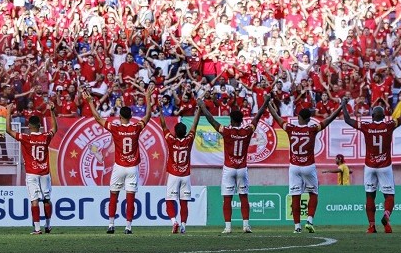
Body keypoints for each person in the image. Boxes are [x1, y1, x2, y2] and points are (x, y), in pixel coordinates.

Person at [81, 85, 154, 234]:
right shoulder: (136, 128)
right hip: (132, 167)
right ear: (131, 116)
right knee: (130, 197)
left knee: (113, 195)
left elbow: (98, 118)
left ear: (120, 117)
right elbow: (147, 116)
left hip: (119, 166)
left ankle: (111, 225)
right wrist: (147, 98)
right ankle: (128, 227)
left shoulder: (115, 128)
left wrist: (90, 102)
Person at [267, 100, 342, 233]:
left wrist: (268, 103)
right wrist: (340, 107)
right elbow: (329, 120)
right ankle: (309, 221)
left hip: (294, 167)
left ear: (298, 118)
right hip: (308, 166)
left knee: (296, 196)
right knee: (313, 193)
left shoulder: (290, 128)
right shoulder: (312, 129)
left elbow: (277, 118)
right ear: (309, 120)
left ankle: (297, 227)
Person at [342, 95, 401, 233]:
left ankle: (371, 226)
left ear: (372, 115)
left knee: (370, 195)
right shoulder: (389, 125)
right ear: (383, 116)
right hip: (385, 166)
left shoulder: (366, 126)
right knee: (389, 196)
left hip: (370, 166)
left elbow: (347, 119)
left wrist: (343, 105)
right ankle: (386, 216)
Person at [199, 96, 270, 234]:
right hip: (242, 168)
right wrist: (266, 102)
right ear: (242, 120)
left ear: (231, 120)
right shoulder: (247, 131)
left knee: (227, 198)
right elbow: (258, 116)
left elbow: (211, 120)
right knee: (244, 196)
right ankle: (246, 225)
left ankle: (228, 227)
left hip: (229, 168)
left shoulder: (226, 131)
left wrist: (202, 107)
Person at [6, 101, 58, 234]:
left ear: (29, 126)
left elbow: (8, 130)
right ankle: (48, 225)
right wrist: (52, 111)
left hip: (32, 173)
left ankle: (37, 228)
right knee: (46, 199)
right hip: (45, 173)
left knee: (34, 200)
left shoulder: (26, 138)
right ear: (40, 126)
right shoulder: (45, 137)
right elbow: (54, 129)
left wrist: (8, 112)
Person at [159, 105, 200, 234]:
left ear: (175, 132)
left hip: (173, 175)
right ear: (185, 131)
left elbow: (164, 126)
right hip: (186, 175)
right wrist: (198, 111)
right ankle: (183, 226)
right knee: (184, 203)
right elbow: (195, 125)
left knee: (170, 200)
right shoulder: (189, 140)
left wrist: (160, 111)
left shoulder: (171, 140)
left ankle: (174, 221)